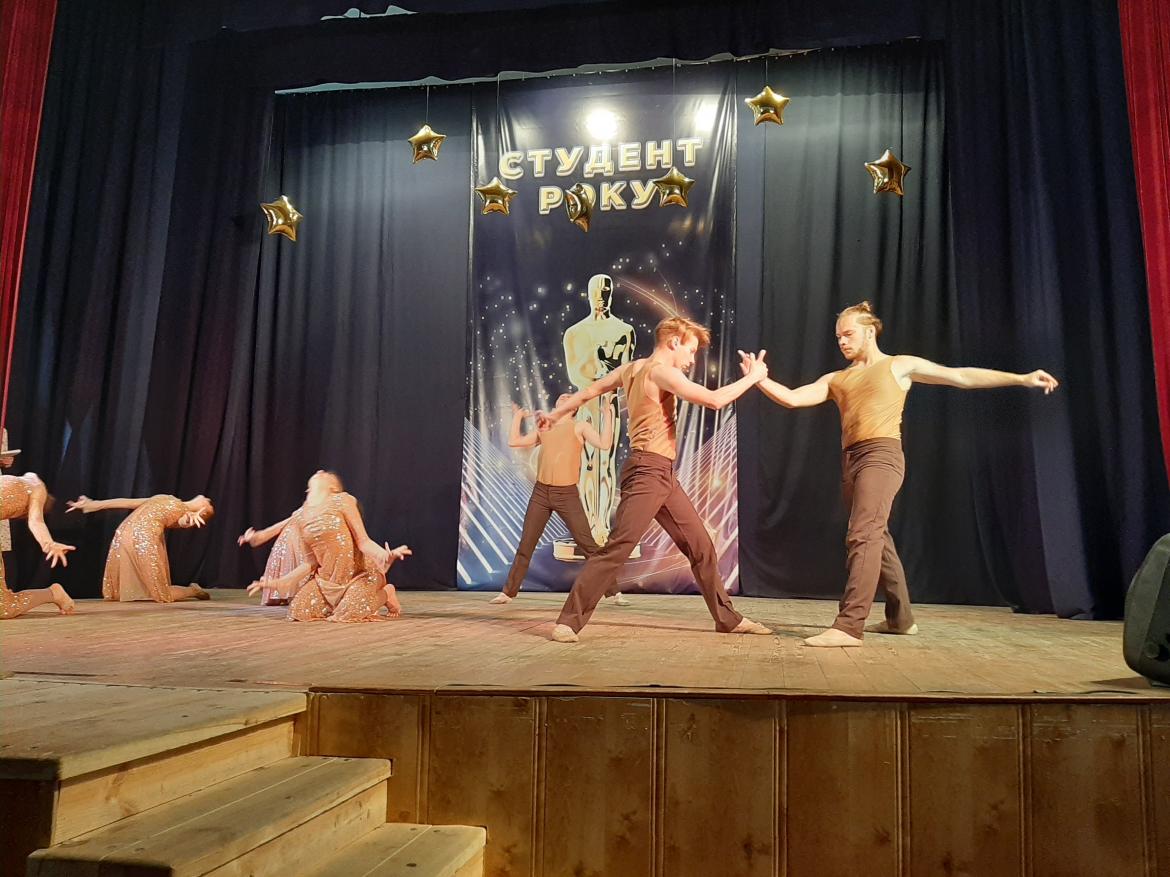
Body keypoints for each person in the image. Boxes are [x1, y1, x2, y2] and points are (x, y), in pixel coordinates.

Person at [750, 300, 1059, 647]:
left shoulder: (899, 365)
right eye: (838, 337)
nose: (842, 342)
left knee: (863, 534)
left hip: (881, 455)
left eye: (848, 334)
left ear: (869, 332)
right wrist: (760, 379)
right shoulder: (837, 378)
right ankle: (900, 619)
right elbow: (793, 398)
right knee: (877, 537)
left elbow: (960, 376)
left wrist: (1021, 378)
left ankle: (849, 626)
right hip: (851, 461)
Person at [537, 316, 772, 643]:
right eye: (691, 350)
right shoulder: (662, 371)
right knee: (618, 547)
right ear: (674, 341)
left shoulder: (632, 368)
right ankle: (568, 622)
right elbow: (715, 400)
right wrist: (755, 378)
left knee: (701, 546)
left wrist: (555, 414)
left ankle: (727, 619)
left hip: (663, 476)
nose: (692, 359)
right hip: (648, 472)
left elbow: (592, 389)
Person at [490, 397, 626, 605]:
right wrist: (517, 417)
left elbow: (605, 444)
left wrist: (608, 415)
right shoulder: (545, 427)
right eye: (562, 397)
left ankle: (614, 592)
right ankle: (507, 592)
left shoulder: (579, 426)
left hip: (567, 494)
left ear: (574, 408)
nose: (564, 398)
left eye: (569, 398)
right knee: (526, 543)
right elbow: (514, 442)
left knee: (588, 545)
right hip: (541, 494)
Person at [245, 470, 409, 622]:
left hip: (359, 575)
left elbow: (363, 541)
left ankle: (387, 593)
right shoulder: (301, 516)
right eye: (319, 472)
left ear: (333, 488)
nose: (319, 471)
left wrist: (385, 555)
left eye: (325, 474)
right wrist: (280, 582)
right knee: (298, 611)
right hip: (326, 581)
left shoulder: (343, 500)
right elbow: (309, 562)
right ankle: (341, 603)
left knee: (350, 613)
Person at [68, 493, 214, 602]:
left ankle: (193, 591)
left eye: (210, 506)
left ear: (203, 511)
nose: (208, 500)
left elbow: (183, 522)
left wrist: (189, 519)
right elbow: (127, 502)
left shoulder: (184, 512)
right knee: (124, 589)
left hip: (145, 538)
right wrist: (93, 504)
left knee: (161, 593)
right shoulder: (168, 498)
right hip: (124, 534)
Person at [0, 472, 76, 618]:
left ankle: (53, 593)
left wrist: (49, 543)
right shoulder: (36, 486)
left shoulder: (34, 484)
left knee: (3, 608)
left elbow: (36, 522)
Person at [238, 515, 307, 606]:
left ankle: (288, 590)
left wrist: (256, 537)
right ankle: (288, 591)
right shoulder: (301, 516)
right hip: (293, 542)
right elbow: (283, 524)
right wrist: (256, 537)